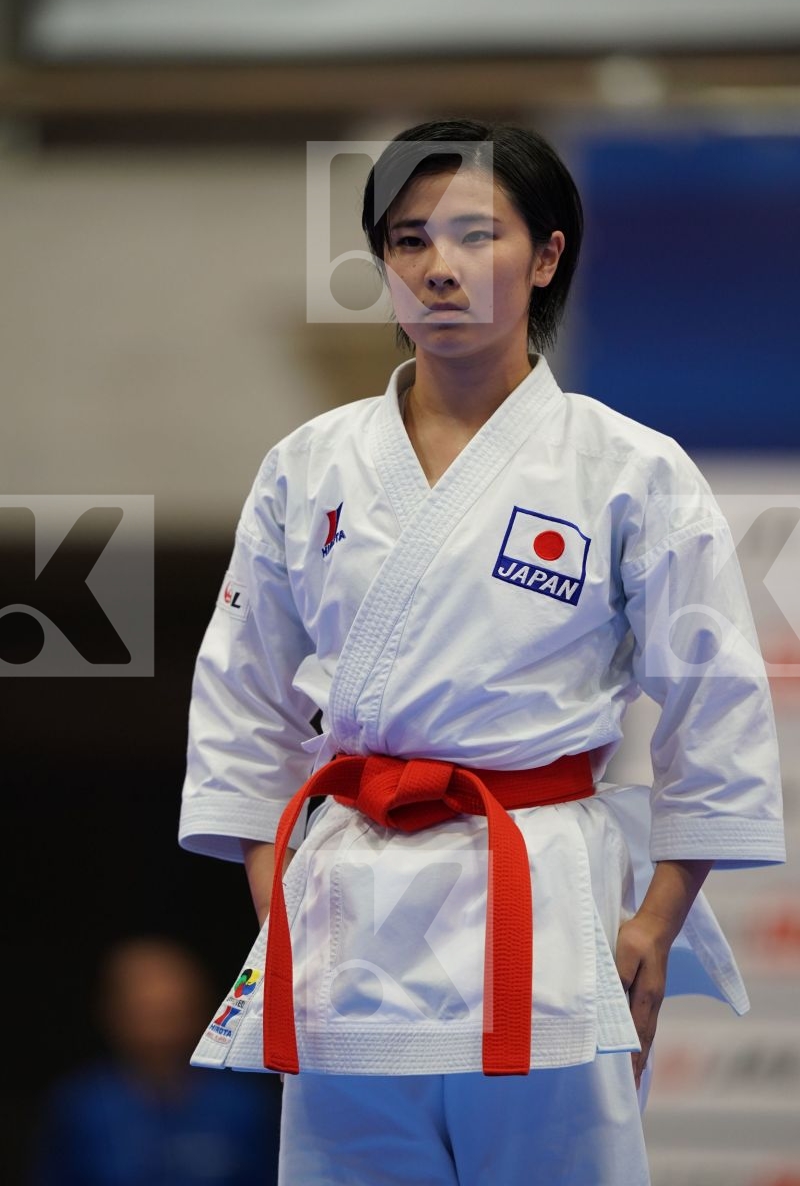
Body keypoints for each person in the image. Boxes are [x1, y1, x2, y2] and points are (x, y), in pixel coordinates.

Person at [178, 118, 785, 1185]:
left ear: (545, 256)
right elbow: (240, 694)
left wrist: (657, 917)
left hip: (543, 892)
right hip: (345, 908)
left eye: (473, 235)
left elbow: (713, 700)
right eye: (408, 240)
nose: (437, 267)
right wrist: (280, 894)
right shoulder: (308, 464)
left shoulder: (626, 467)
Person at [30, 937, 281, 1186]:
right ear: (112, 1012)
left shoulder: (244, 1106)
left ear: (201, 1010)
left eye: (170, 1012)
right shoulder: (81, 1107)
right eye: (144, 1011)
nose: (159, 1032)